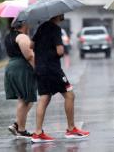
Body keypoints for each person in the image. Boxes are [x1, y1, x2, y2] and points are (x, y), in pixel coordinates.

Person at [31, 14, 89, 143]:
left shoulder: (41, 27)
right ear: (58, 15)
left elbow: (31, 45)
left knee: (44, 97)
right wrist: (57, 49)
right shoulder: (55, 29)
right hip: (53, 69)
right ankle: (71, 129)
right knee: (70, 95)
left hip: (40, 68)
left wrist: (43, 51)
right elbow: (60, 51)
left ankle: (38, 132)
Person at [5, 18, 37, 139]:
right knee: (25, 99)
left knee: (26, 99)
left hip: (12, 66)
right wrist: (37, 70)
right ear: (23, 23)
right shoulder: (22, 37)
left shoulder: (8, 36)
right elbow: (29, 56)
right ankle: (21, 130)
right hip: (22, 68)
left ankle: (17, 125)